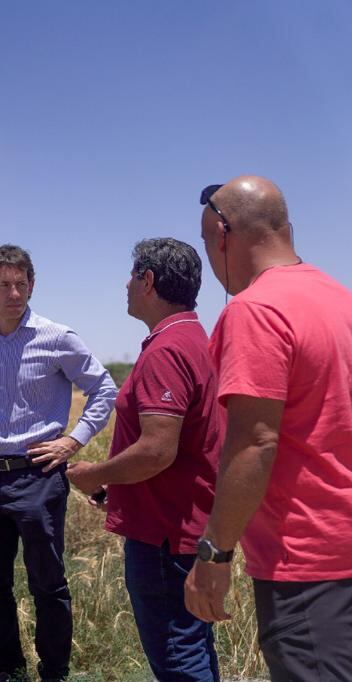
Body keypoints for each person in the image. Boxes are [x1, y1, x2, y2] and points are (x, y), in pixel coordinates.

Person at [184, 176, 352, 680]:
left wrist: (214, 553)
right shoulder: (339, 299)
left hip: (304, 559)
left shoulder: (255, 310)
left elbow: (256, 441)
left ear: (221, 232)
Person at [0, 244, 118, 682]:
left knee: (47, 584)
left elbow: (105, 389)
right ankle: (9, 669)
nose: (14, 293)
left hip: (37, 475)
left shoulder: (58, 338)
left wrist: (72, 440)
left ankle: (55, 672)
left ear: (32, 286)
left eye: (22, 284)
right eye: (4, 285)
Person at [67, 238, 223, 681]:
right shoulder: (195, 338)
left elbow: (156, 450)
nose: (126, 286)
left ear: (148, 280)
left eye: (132, 276)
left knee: (178, 656)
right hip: (188, 524)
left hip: (163, 535)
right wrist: (116, 484)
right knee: (193, 646)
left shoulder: (166, 350)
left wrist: (92, 473)